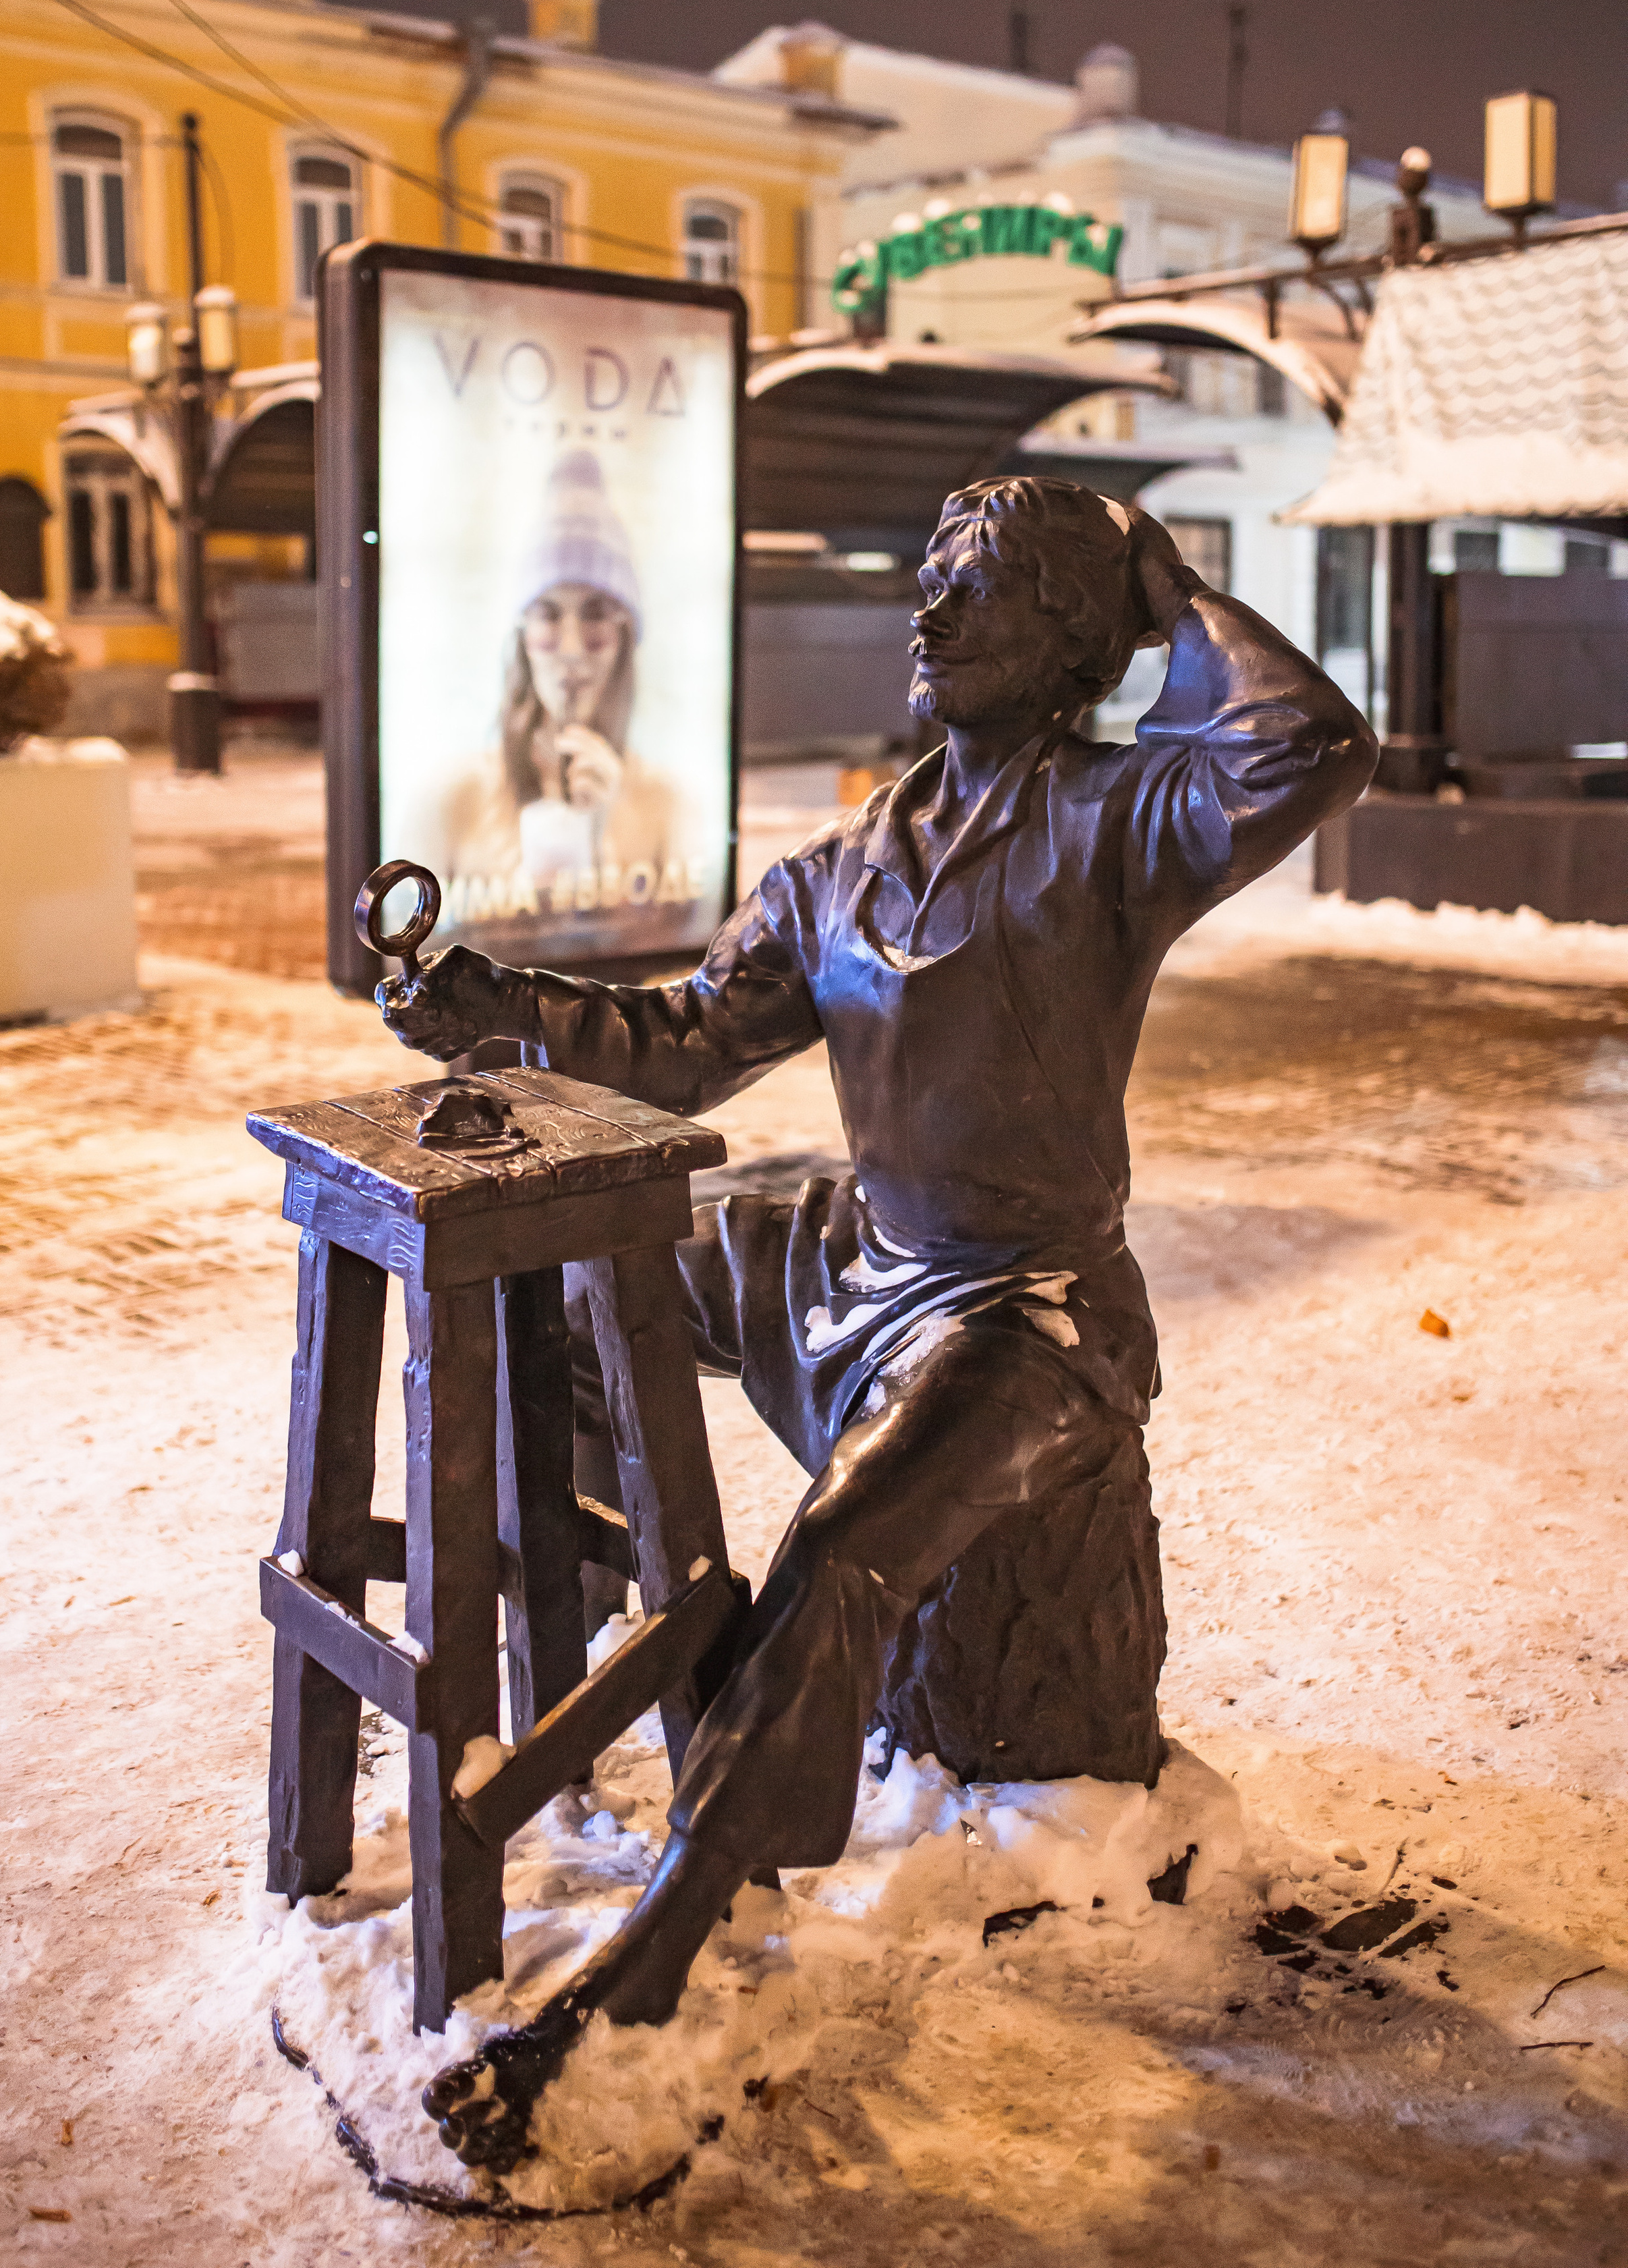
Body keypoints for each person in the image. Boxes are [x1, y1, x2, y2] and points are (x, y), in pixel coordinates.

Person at [378, 478, 1377, 2170]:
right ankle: (678, 1671)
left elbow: (1308, 748)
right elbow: (685, 1040)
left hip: (1022, 1306)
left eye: (970, 590)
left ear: (1064, 641)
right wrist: (490, 1009)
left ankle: (646, 1968)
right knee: (564, 1316)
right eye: (925, 581)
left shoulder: (1110, 818)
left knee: (840, 1548)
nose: (925, 617)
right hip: (847, 1257)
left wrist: (1166, 583)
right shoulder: (843, 863)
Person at [434, 447, 699, 926]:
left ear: (625, 638)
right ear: (521, 639)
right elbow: (410, 967)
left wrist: (613, 837)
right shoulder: (454, 798)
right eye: (548, 616)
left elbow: (685, 974)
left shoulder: (669, 806)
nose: (573, 650)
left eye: (596, 614)